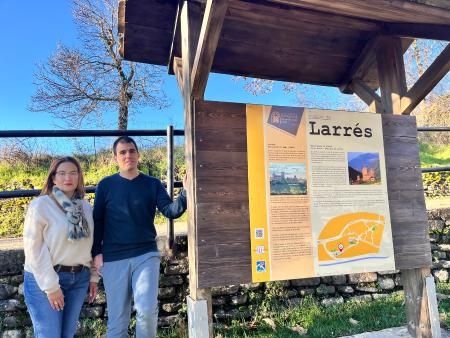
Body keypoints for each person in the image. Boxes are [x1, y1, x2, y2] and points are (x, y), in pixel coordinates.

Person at [92, 136, 187, 338]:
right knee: (118, 318)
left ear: (138, 154)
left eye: (132, 151)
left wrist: (185, 193)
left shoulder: (152, 184)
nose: (128, 155)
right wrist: (96, 252)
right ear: (115, 158)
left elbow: (170, 210)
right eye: (123, 152)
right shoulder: (105, 185)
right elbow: (97, 220)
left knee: (147, 312)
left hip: (145, 255)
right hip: (113, 258)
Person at [23, 156, 99, 338]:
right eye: (62, 173)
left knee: (67, 335)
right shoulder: (40, 206)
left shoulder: (85, 207)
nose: (68, 178)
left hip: (79, 279)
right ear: (53, 178)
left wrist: (94, 277)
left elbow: (90, 245)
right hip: (45, 279)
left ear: (79, 177)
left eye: (73, 173)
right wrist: (51, 287)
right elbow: (34, 250)